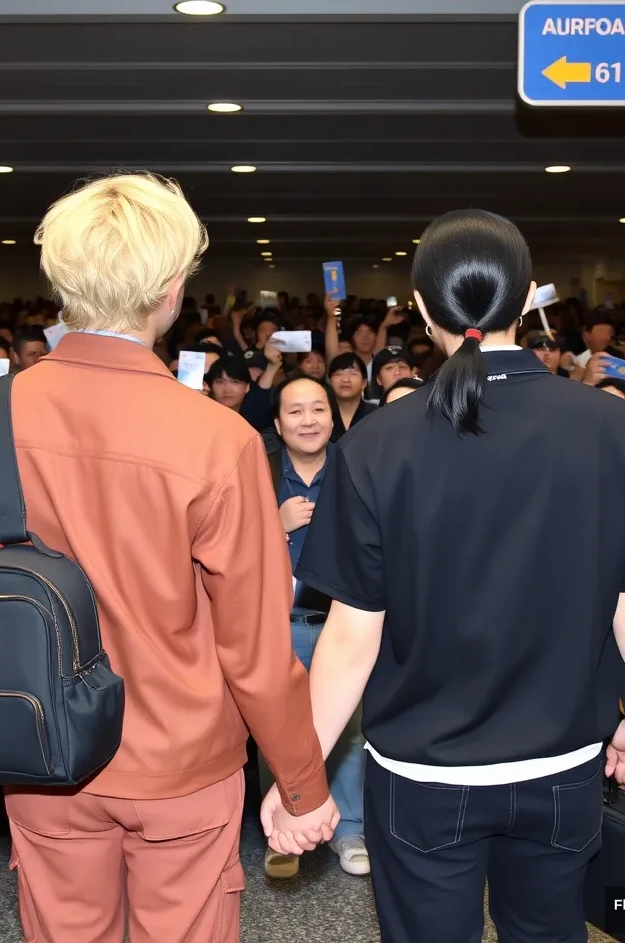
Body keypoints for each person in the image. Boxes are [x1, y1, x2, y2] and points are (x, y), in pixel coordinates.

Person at [265, 208, 625, 943]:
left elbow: (350, 640)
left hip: (424, 776)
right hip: (563, 766)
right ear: (528, 302)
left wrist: (301, 784)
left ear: (422, 308)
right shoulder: (616, 429)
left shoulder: (373, 444)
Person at [0, 172, 336, 943]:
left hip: (41, 743)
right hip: (180, 760)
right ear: (170, 291)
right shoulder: (216, 438)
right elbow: (253, 650)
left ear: (61, 283)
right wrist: (302, 783)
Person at [259, 374, 368, 881]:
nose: (309, 420)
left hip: (341, 627)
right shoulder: (257, 476)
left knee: (346, 729)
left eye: (318, 409)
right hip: (275, 626)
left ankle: (350, 829)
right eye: (296, 412)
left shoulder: (356, 473)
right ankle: (285, 831)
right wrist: (271, 526)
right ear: (279, 424)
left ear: (334, 417)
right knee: (277, 733)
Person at [328, 353, 375, 438]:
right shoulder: (321, 414)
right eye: (338, 374)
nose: (345, 379)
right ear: (330, 382)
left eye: (353, 374)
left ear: (364, 383)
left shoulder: (376, 414)